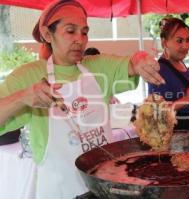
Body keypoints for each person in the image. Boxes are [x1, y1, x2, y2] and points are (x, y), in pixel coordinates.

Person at [0, 0, 164, 198]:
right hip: (61, 189)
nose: (80, 39)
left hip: (104, 186)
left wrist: (140, 57)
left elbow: (132, 62)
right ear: (46, 34)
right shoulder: (27, 76)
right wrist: (23, 97)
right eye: (70, 31)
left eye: (84, 32)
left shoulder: (98, 66)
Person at [148, 17, 189, 132]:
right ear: (164, 42)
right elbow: (158, 112)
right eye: (179, 41)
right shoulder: (158, 70)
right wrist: (187, 99)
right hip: (174, 134)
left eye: (187, 40)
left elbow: (176, 80)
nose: (185, 46)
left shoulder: (177, 60)